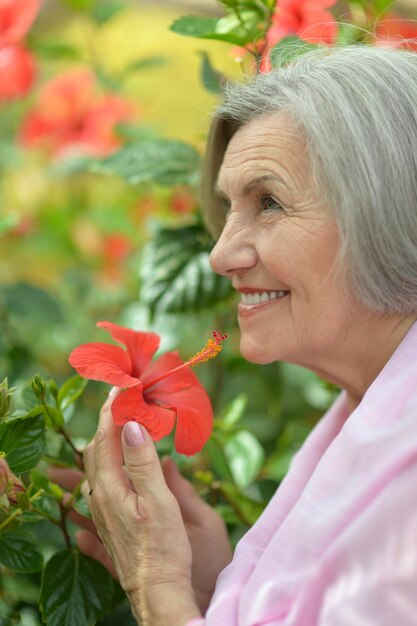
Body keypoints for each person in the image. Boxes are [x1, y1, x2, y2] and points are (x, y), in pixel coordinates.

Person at [50, 45, 417, 625]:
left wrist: (156, 584)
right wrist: (215, 590)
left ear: (390, 211)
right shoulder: (370, 409)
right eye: (228, 207)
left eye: (269, 202)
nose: (220, 255)